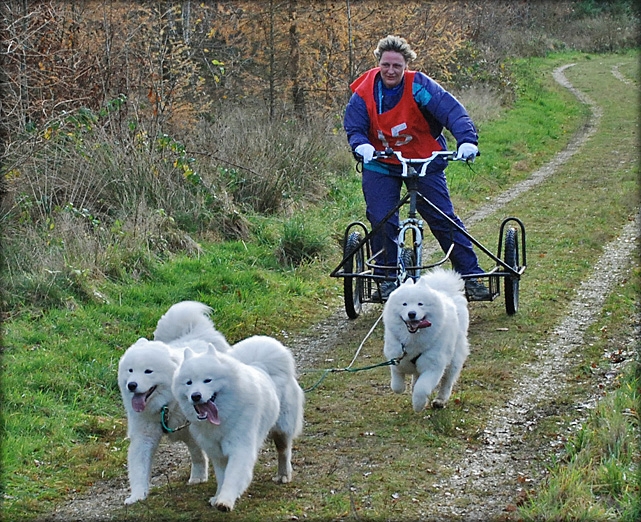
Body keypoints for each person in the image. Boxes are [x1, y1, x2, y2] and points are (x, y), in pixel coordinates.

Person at [343, 35, 490, 302]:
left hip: (423, 160)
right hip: (382, 163)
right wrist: (360, 145)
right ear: (378, 63)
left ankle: (470, 276)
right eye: (386, 64)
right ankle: (386, 279)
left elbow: (451, 112)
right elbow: (354, 126)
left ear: (406, 66)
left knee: (442, 218)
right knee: (381, 218)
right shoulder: (364, 92)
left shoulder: (419, 86)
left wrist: (467, 140)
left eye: (397, 66)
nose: (390, 70)